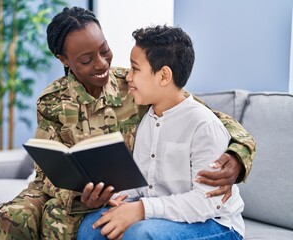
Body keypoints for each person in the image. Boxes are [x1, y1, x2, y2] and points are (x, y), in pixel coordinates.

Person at [0, 7, 255, 240]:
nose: (102, 63)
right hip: (69, 191)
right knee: (12, 217)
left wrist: (238, 153)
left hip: (156, 204)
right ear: (64, 60)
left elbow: (198, 113)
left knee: (72, 225)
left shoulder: (134, 85)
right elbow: (46, 169)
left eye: (104, 50)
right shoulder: (52, 101)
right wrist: (79, 196)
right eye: (86, 59)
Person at [77, 25, 245, 240]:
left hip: (215, 224)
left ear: (164, 76)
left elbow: (207, 202)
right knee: (93, 225)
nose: (128, 77)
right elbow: (143, 186)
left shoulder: (203, 125)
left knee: (142, 233)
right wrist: (118, 199)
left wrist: (141, 210)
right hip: (163, 216)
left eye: (135, 69)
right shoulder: (148, 118)